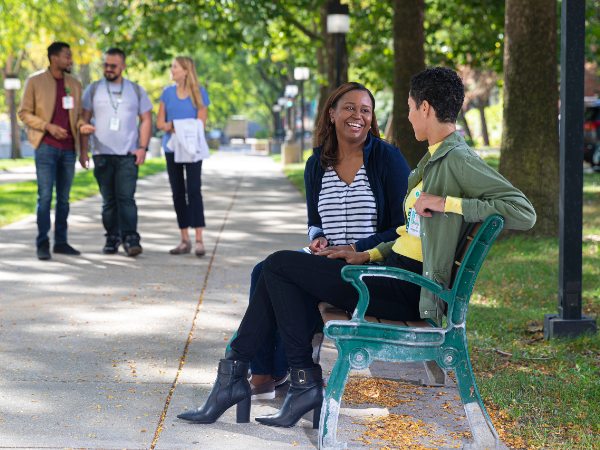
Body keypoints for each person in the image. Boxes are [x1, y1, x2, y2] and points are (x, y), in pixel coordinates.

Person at [177, 67, 536, 428]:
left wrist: (447, 204)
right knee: (281, 275)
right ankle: (289, 381)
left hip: (407, 286)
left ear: (425, 108)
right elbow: (409, 233)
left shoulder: (455, 158)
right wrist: (367, 254)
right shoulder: (435, 158)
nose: (408, 115)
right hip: (390, 270)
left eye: (410, 107)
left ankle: (250, 379)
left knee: (277, 267)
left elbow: (522, 210)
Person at [245, 82, 410, 400]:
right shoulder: (316, 164)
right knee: (261, 271)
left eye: (365, 110)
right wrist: (318, 238)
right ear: (332, 114)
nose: (357, 116)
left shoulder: (386, 159)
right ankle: (268, 370)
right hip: (328, 261)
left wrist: (358, 249)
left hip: (368, 266)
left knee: (279, 273)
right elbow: (314, 223)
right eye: (349, 107)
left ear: (372, 118)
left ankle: (282, 371)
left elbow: (403, 227)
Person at [79, 48, 153, 257]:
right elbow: (83, 121)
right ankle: (112, 237)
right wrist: (83, 151)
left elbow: (147, 118)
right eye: (106, 65)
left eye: (113, 65)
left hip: (128, 154)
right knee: (108, 200)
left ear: (123, 66)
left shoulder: (136, 90)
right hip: (101, 153)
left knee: (126, 198)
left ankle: (130, 238)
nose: (108, 69)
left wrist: (143, 147)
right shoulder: (93, 90)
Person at [18, 41, 84, 260]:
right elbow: (24, 112)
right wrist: (48, 126)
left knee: (64, 199)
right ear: (54, 57)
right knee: (45, 197)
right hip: (45, 147)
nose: (70, 60)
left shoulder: (74, 84)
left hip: (68, 150)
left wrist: (83, 131)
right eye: (67, 56)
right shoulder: (35, 81)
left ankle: (61, 242)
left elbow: (80, 115)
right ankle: (42, 242)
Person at [156, 57, 210, 256]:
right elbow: (160, 123)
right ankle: (184, 239)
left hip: (193, 148)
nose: (172, 70)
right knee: (178, 192)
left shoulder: (199, 93)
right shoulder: (167, 93)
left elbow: (201, 123)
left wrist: (178, 126)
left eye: (175, 67)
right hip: (172, 148)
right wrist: (172, 126)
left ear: (186, 70)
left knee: (194, 190)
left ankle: (199, 240)